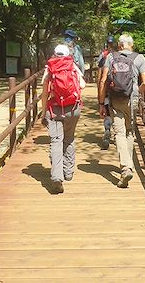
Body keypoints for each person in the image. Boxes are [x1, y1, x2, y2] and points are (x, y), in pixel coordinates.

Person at [98, 33, 145, 188]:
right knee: (130, 132)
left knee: (119, 132)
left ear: (120, 45)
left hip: (115, 99)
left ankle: (125, 167)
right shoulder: (140, 58)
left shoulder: (111, 57)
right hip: (131, 99)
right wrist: (137, 91)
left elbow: (103, 80)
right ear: (131, 45)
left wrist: (102, 103)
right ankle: (129, 166)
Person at [41, 43, 86, 193]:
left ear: (54, 53)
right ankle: (68, 172)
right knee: (69, 138)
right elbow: (83, 85)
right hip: (73, 110)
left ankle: (56, 176)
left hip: (54, 110)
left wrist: (43, 113)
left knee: (56, 141)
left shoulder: (50, 68)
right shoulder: (72, 66)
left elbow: (44, 92)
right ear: (68, 54)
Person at [96, 36, 116, 149]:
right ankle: (119, 135)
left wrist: (100, 95)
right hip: (120, 91)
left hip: (107, 89)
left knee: (107, 112)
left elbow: (100, 77)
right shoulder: (121, 56)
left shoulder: (104, 56)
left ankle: (107, 130)